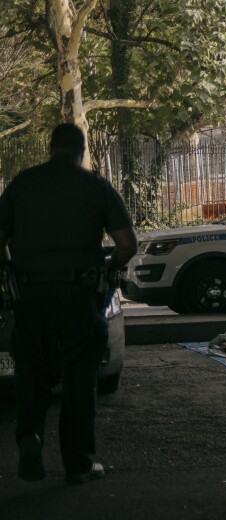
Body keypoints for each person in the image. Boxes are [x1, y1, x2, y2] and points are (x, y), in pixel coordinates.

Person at [0, 123, 136, 484]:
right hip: (79, 297)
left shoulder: (21, 185)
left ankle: (30, 435)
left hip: (30, 297)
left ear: (51, 148)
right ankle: (78, 463)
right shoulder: (96, 186)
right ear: (80, 150)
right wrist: (109, 266)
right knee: (79, 379)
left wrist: (12, 270)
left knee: (32, 370)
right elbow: (126, 244)